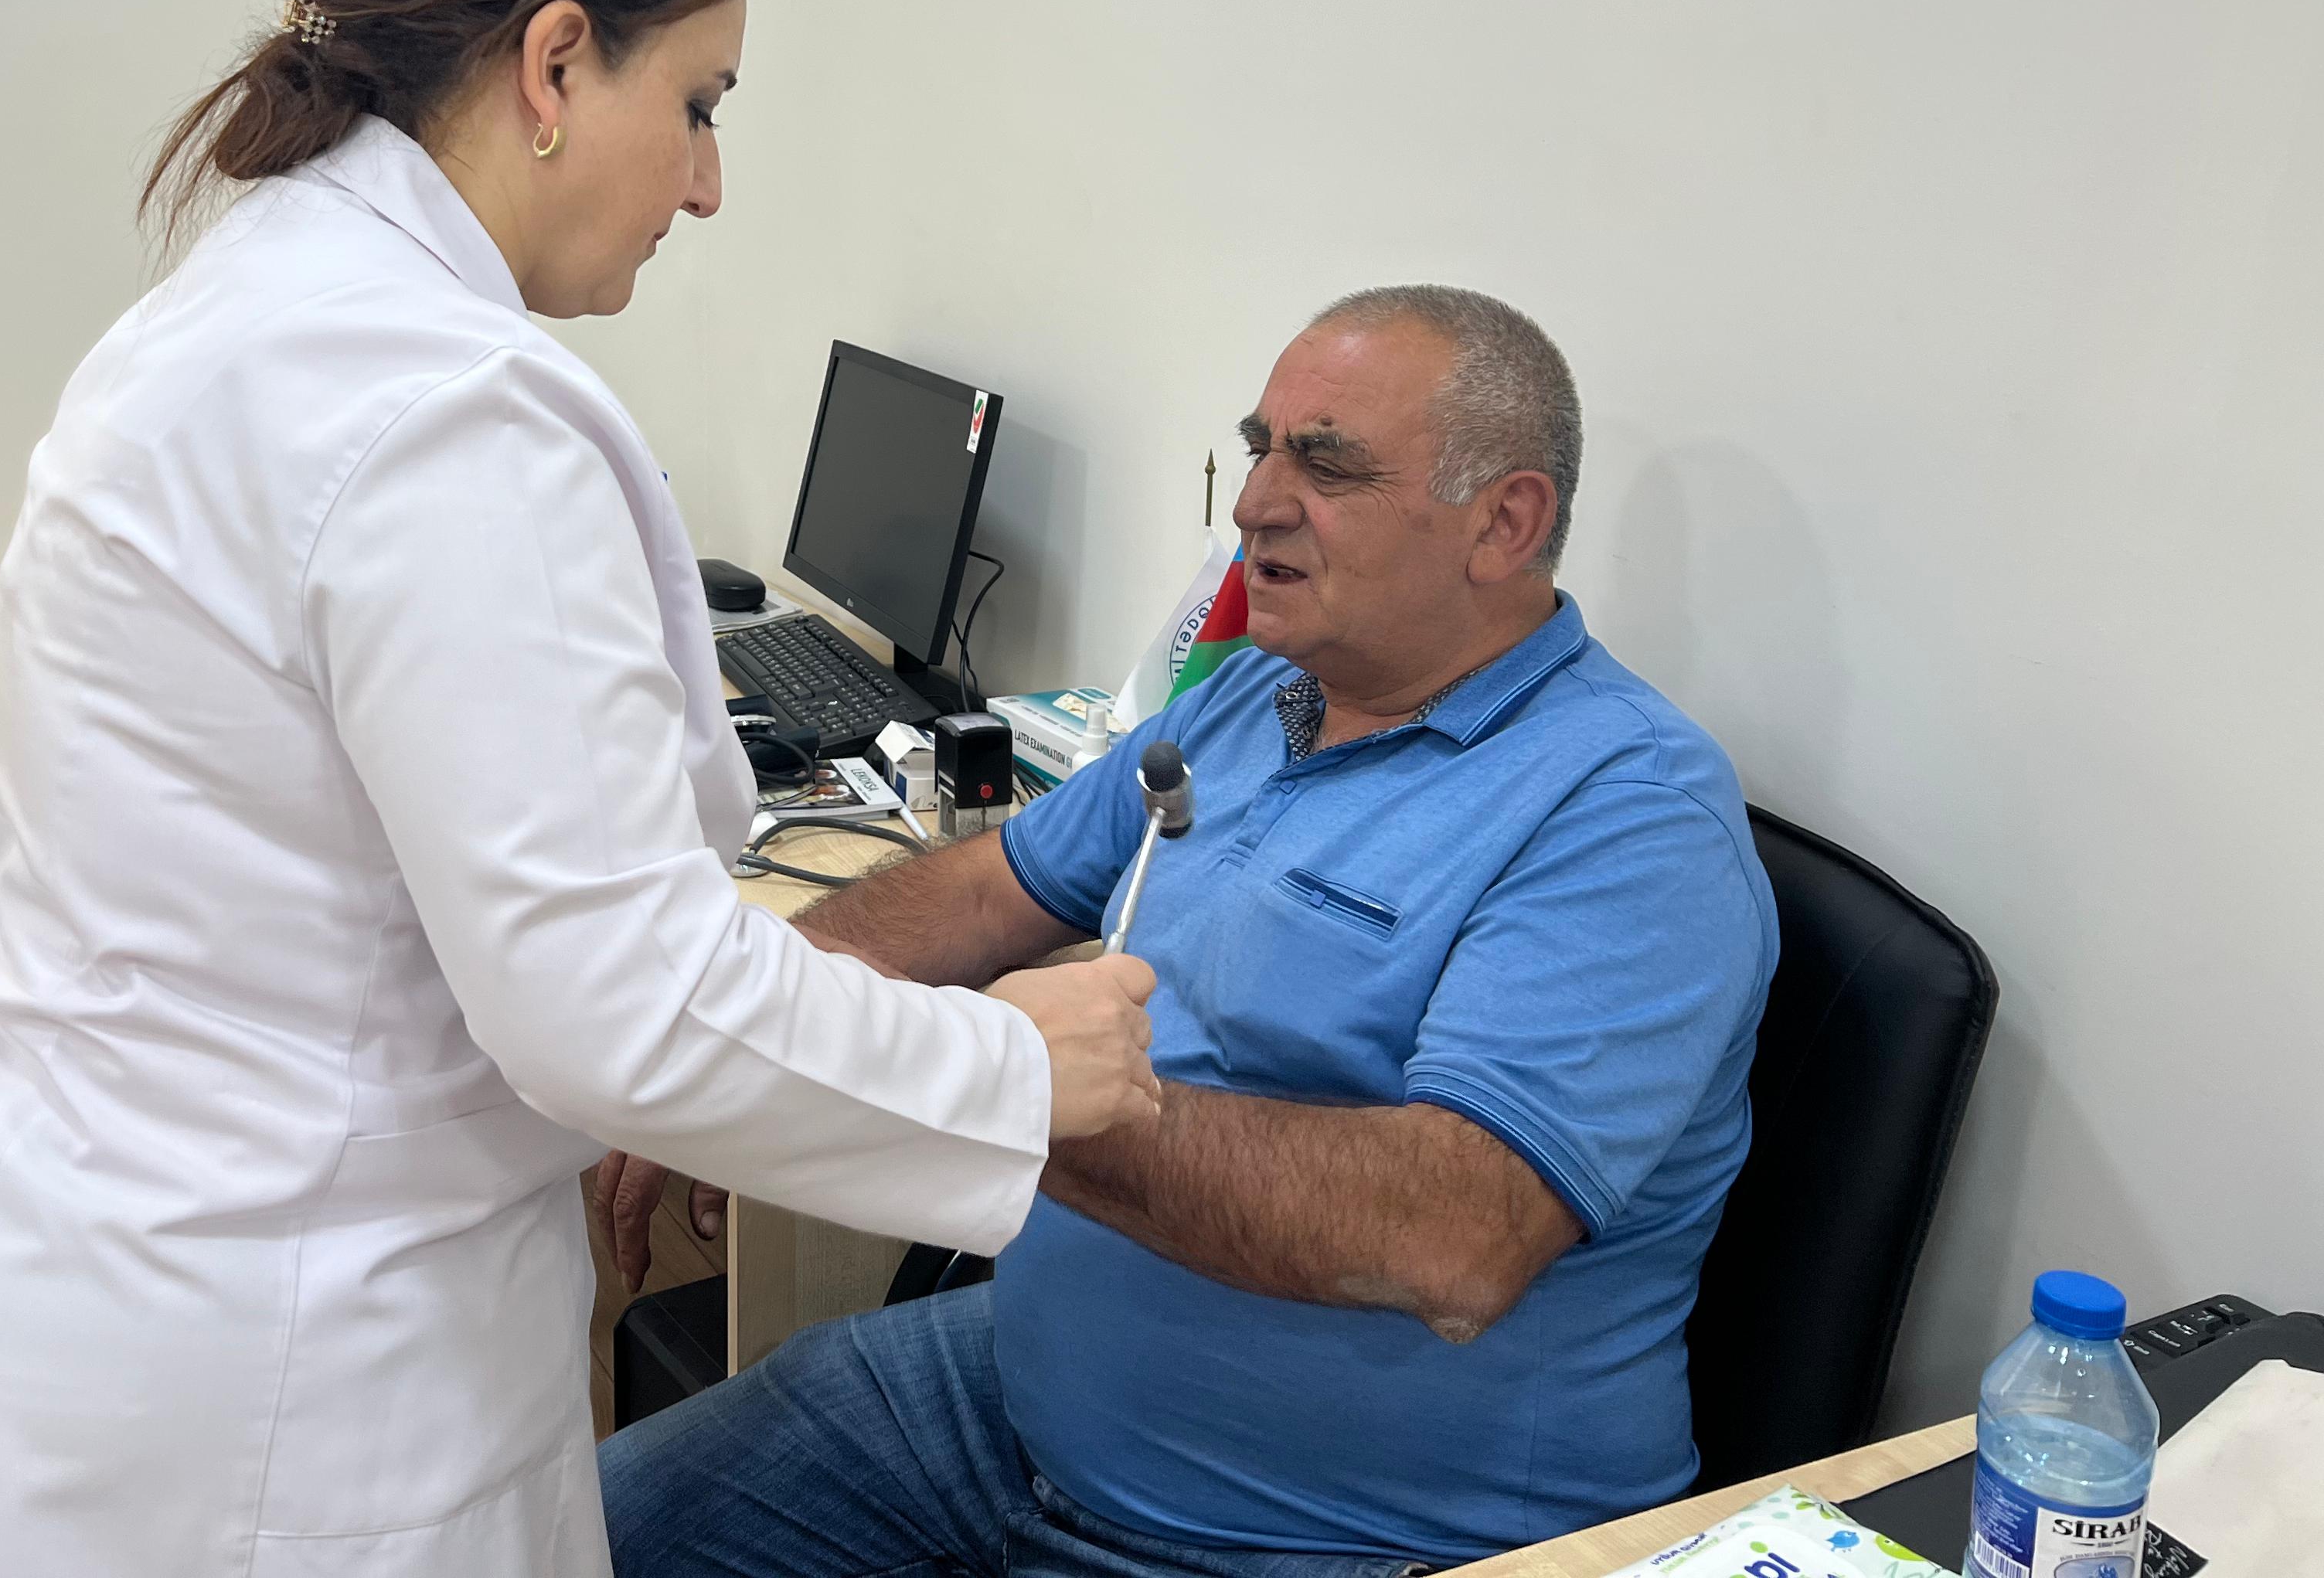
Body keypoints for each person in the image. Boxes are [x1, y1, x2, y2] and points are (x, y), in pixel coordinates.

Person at [0, 0, 1162, 1578]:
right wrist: (1006, 1065)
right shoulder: (442, 407)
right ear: (558, 64)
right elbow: (613, 1001)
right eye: (703, 105)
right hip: (245, 1363)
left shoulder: (256, 296)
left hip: (45, 1256)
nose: (713, 182)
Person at [599, 285, 1780, 1578]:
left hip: (1319, 1537)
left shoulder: (1628, 816)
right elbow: (997, 884)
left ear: (1503, 522)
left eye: (1323, 465)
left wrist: (935, 1080)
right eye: (1262, 445)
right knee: (566, 1538)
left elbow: (1450, 1238)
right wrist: (744, 1008)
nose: (1257, 502)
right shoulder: (1268, 689)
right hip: (1002, 1401)